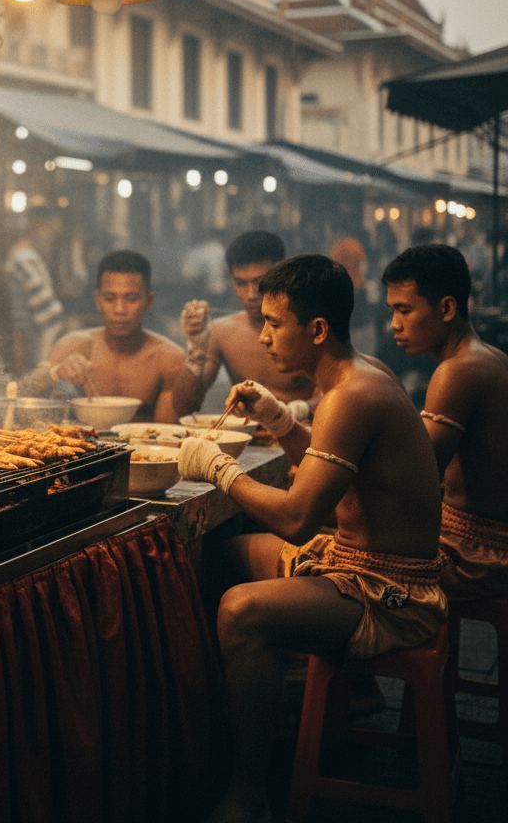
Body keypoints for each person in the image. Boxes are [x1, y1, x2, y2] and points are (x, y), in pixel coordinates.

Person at [178, 255, 444, 823]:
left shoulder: (353, 395)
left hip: (390, 588)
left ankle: (249, 796)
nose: (264, 335)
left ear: (317, 330)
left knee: (240, 610)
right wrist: (281, 422)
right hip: (352, 558)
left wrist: (219, 470)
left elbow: (299, 519)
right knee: (221, 557)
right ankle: (255, 715)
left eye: (275, 323)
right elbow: (333, 476)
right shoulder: (353, 376)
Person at [383, 244, 508, 600]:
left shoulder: (458, 370)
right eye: (392, 310)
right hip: (477, 540)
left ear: (448, 307)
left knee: (332, 553)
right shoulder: (488, 357)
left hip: (475, 554)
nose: (394, 324)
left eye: (404, 310)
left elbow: (416, 478)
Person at [20, 249, 198, 423]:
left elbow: (165, 435)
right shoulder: (76, 345)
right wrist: (55, 372)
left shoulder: (169, 359)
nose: (119, 310)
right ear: (98, 300)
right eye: (110, 298)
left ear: (148, 302)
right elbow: (22, 391)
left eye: (131, 298)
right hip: (85, 449)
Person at [182, 230, 316, 414]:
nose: (251, 294)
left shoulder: (311, 327)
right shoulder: (221, 331)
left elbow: (342, 392)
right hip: (247, 438)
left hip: (301, 434)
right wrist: (194, 353)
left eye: (260, 282)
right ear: (231, 280)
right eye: (241, 283)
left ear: (283, 275)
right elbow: (187, 405)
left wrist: (300, 409)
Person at [4, 209, 66, 373]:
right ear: (37, 226)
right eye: (50, 232)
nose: (52, 239)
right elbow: (49, 312)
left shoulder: (24, 255)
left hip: (28, 337)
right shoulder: (25, 258)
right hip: (31, 340)